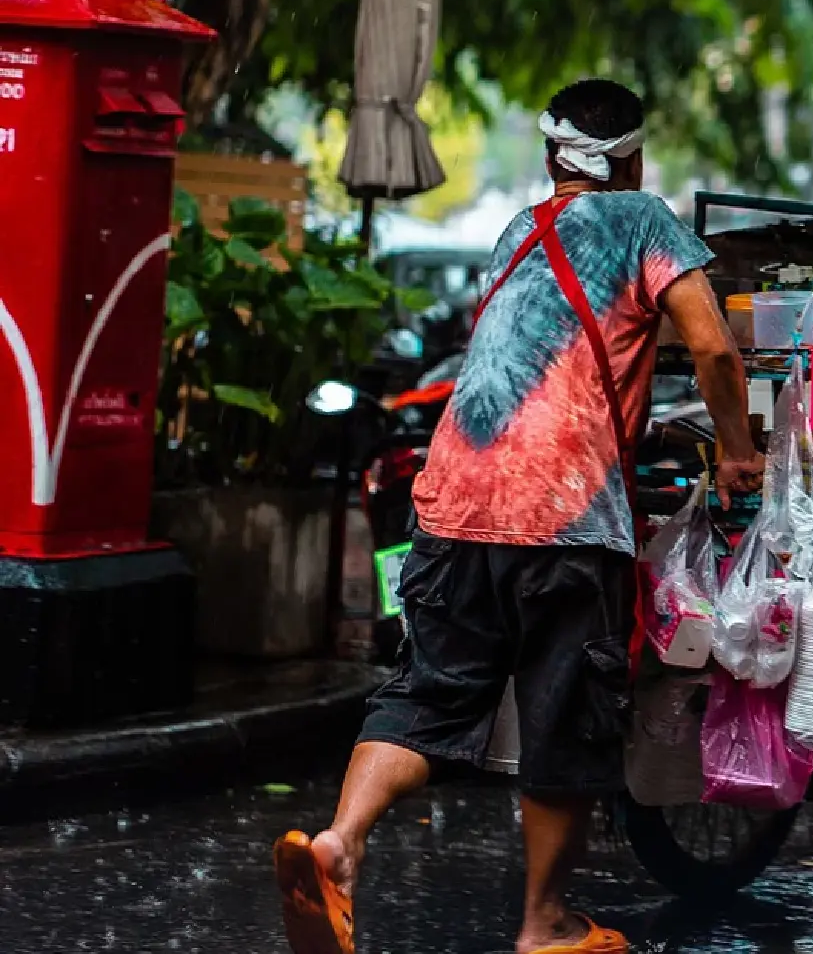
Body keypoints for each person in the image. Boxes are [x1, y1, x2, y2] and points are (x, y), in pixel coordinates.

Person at [273, 78, 763, 954]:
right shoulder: (646, 219)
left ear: (549, 159)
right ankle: (545, 924)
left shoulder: (516, 231)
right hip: (563, 516)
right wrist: (734, 450)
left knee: (427, 695)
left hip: (452, 500)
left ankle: (340, 842)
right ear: (635, 160)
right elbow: (715, 347)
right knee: (566, 718)